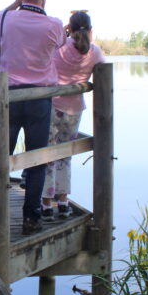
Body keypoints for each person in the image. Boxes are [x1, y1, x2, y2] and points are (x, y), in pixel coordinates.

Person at [0, 0, 66, 235]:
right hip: (39, 99)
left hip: (7, 96)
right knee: (36, 160)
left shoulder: (6, 19)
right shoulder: (53, 24)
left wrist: (15, 3)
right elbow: (62, 43)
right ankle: (31, 218)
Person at [42, 11, 105, 219]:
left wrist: (62, 33)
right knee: (65, 155)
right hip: (74, 108)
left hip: (51, 105)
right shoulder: (94, 52)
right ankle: (63, 200)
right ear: (90, 30)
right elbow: (104, 72)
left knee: (47, 153)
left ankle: (46, 203)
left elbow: (44, 59)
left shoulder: (59, 47)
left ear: (69, 28)